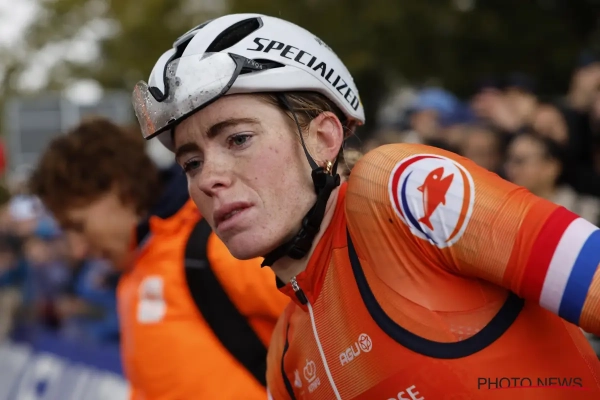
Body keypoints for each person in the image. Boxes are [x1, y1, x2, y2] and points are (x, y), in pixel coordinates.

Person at [132, 14, 600, 399]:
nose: (208, 178)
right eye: (191, 162)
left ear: (324, 137)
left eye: (238, 138)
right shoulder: (286, 356)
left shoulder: (398, 191)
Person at [29, 117, 289, 399]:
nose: (78, 250)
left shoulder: (220, 246)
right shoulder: (137, 268)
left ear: (120, 190)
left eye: (79, 226)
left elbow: (325, 337)